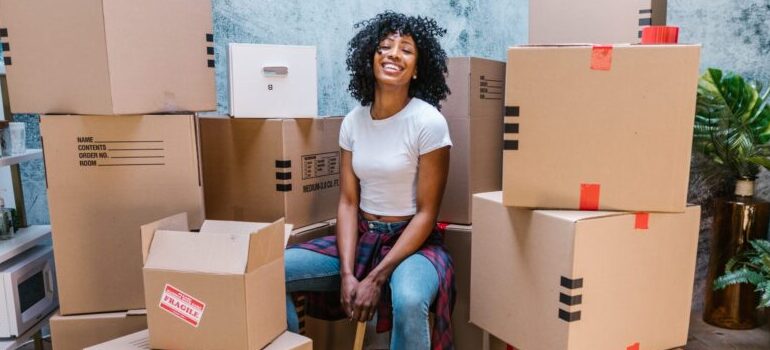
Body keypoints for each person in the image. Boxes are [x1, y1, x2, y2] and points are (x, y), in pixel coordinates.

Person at [284, 11, 455, 350]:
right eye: (385, 47)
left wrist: (377, 277)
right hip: (362, 238)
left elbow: (426, 214)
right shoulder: (353, 122)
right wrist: (347, 274)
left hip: (413, 244)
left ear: (418, 68)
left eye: (406, 49)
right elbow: (348, 202)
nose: (393, 54)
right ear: (370, 58)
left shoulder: (428, 122)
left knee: (408, 299)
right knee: (272, 271)